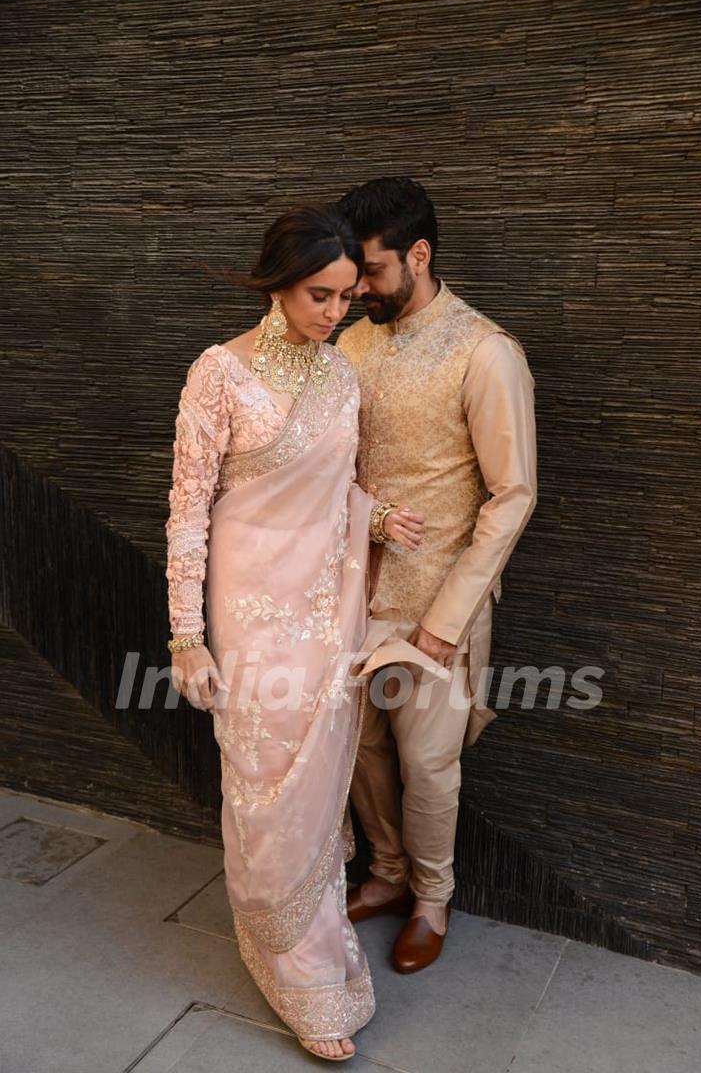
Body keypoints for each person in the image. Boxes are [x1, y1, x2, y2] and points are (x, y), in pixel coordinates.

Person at [165, 203, 425, 1061]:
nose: (334, 313)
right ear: (278, 281)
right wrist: (185, 635)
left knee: (314, 796)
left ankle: (316, 964)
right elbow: (188, 515)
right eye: (320, 294)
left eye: (347, 297)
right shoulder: (219, 374)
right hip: (248, 617)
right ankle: (283, 955)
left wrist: (378, 517)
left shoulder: (340, 375)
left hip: (323, 612)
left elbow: (337, 493)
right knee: (263, 784)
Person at [336, 177, 538, 973]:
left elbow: (514, 494)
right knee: (361, 749)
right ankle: (384, 874)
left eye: (374, 271)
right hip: (354, 593)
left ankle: (430, 898)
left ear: (419, 255)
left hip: (436, 606)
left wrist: (448, 617)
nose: (358, 290)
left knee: (427, 763)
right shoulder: (350, 344)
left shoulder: (486, 352)